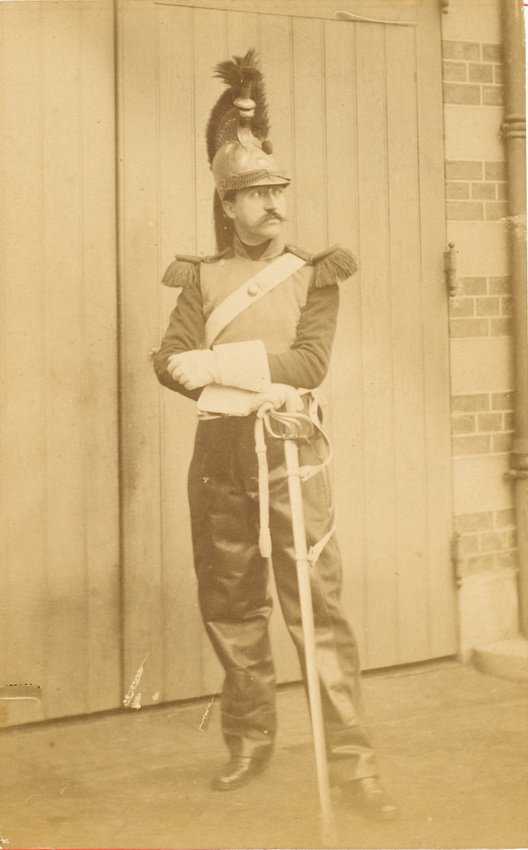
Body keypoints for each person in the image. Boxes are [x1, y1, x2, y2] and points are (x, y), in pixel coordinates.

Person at [154, 50, 398, 822]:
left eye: (277, 190)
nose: (273, 205)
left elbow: (310, 364)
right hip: (219, 453)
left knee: (315, 606)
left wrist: (218, 366)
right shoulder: (199, 276)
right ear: (227, 204)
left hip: (291, 447)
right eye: (257, 194)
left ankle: (353, 762)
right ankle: (250, 740)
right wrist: (224, 372)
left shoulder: (315, 272)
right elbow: (167, 361)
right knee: (230, 603)